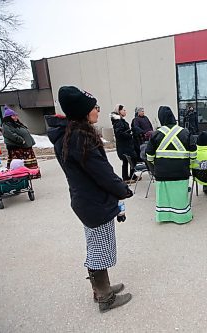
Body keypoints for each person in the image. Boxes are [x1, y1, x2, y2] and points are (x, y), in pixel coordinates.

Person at [47, 86, 133, 313]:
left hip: (85, 201)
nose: (97, 110)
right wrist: (122, 189)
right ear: (82, 111)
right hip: (94, 203)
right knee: (100, 249)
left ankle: (101, 287)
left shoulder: (70, 135)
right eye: (94, 107)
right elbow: (102, 173)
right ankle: (105, 297)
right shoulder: (80, 138)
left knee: (97, 246)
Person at [146, 106, 196, 224]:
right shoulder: (185, 132)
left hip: (162, 172)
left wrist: (157, 165)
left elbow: (149, 156)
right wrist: (189, 164)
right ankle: (182, 217)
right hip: (181, 172)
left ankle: (164, 216)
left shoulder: (155, 134)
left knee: (164, 197)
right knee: (179, 196)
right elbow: (193, 154)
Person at [1, 106, 41, 179]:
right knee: (20, 162)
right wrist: (20, 140)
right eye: (13, 116)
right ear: (8, 117)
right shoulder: (6, 125)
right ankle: (22, 175)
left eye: (16, 115)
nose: (16, 117)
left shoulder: (16, 123)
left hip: (25, 146)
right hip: (17, 147)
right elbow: (10, 135)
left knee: (28, 161)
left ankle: (32, 173)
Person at [110, 104, 140, 184]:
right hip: (124, 145)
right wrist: (129, 135)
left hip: (126, 144)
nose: (125, 111)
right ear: (119, 111)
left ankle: (131, 176)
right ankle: (126, 177)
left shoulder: (120, 120)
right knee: (129, 159)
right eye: (123, 110)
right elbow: (119, 133)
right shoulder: (118, 121)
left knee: (128, 160)